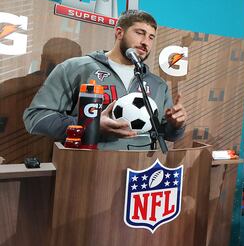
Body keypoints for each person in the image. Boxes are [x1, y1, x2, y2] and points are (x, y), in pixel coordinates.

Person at [24, 10, 187, 150]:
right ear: (119, 33)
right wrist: (90, 126)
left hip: (142, 172)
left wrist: (176, 125)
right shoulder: (75, 68)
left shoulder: (157, 84)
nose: (146, 42)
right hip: (90, 169)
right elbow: (36, 118)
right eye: (140, 33)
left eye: (151, 37)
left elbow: (170, 135)